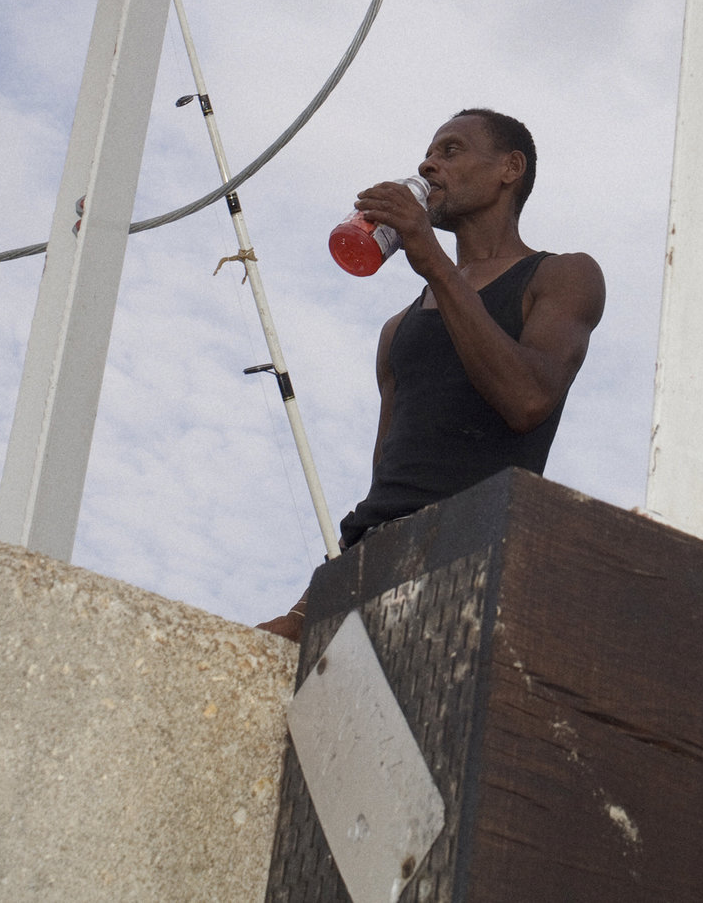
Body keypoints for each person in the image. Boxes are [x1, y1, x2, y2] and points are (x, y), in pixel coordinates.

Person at [258, 108, 604, 642]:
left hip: (476, 555)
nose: (428, 163)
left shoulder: (564, 275)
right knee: (264, 654)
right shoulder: (397, 330)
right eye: (429, 152)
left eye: (451, 150)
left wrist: (431, 257)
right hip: (373, 557)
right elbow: (389, 476)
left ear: (509, 168)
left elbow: (528, 399)